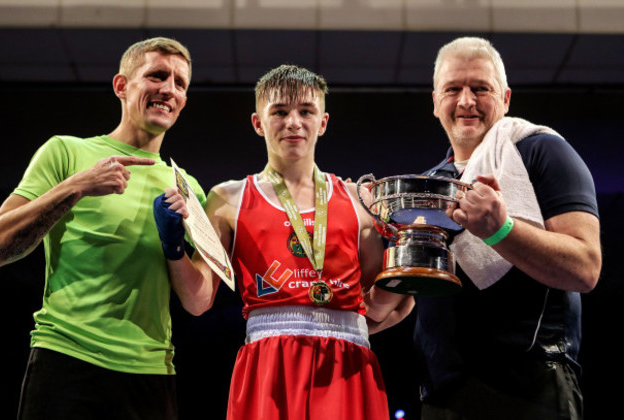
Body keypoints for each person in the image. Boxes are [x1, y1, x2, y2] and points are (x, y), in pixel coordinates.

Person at [153, 64, 414, 420]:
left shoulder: (360, 200)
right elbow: (197, 301)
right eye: (279, 112)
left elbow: (387, 308)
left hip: (347, 364)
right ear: (258, 122)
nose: (293, 122)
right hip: (268, 364)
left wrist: (410, 261)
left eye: (306, 111)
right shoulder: (228, 198)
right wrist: (173, 247)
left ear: (322, 122)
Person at [0, 37, 205, 420]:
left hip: (149, 373)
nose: (168, 90)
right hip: (66, 359)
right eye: (156, 75)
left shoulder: (187, 188)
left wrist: (174, 246)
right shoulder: (67, 153)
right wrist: (76, 186)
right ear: (122, 86)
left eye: (179, 83)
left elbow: (197, 302)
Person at [411, 36, 602, 419]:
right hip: (442, 394)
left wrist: (500, 230)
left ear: (506, 98)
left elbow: (585, 266)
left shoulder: (542, 151)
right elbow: (401, 300)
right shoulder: (429, 185)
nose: (466, 100)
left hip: (532, 387)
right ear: (435, 103)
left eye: (480, 88)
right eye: (453, 89)